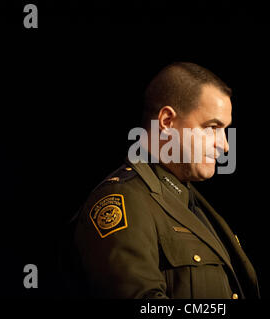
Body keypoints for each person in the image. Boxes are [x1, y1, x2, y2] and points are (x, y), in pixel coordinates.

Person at [70, 62, 260, 299]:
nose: (224, 145)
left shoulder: (190, 202)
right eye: (212, 127)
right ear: (167, 121)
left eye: (225, 130)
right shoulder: (124, 199)